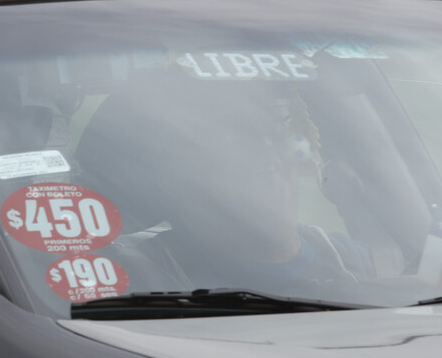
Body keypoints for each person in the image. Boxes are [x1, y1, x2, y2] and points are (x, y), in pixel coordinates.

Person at [78, 73, 372, 296]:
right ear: (167, 179)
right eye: (230, 149)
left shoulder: (353, 260)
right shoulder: (133, 283)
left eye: (277, 145)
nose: (270, 170)